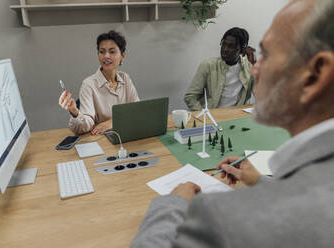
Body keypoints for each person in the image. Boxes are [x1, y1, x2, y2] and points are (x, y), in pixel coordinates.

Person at [131, 0, 334, 247]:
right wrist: (262, 183)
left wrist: (174, 203)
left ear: (316, 74)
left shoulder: (220, 219)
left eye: (266, 55)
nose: (256, 68)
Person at [58, 30, 139, 135]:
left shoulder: (125, 78)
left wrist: (113, 122)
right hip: (102, 139)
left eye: (112, 51)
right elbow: (86, 126)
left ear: (122, 56)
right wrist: (74, 112)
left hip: (128, 134)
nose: (106, 56)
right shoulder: (88, 84)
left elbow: (137, 111)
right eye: (102, 52)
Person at [184, 27, 256, 111]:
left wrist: (256, 64)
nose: (225, 49)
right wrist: (204, 115)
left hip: (237, 116)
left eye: (231, 46)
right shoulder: (208, 65)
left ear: (242, 50)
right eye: (224, 44)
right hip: (213, 116)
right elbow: (190, 96)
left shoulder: (250, 67)